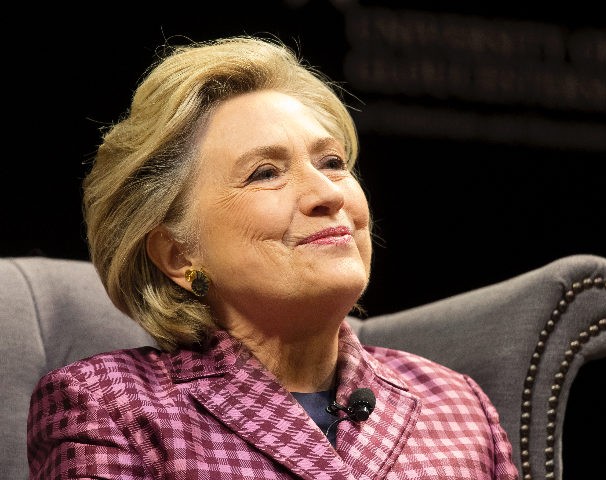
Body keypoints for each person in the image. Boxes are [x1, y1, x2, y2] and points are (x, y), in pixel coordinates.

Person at [27, 35, 519, 479]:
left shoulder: (457, 403)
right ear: (178, 254)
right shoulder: (107, 405)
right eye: (266, 173)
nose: (327, 194)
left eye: (332, 163)